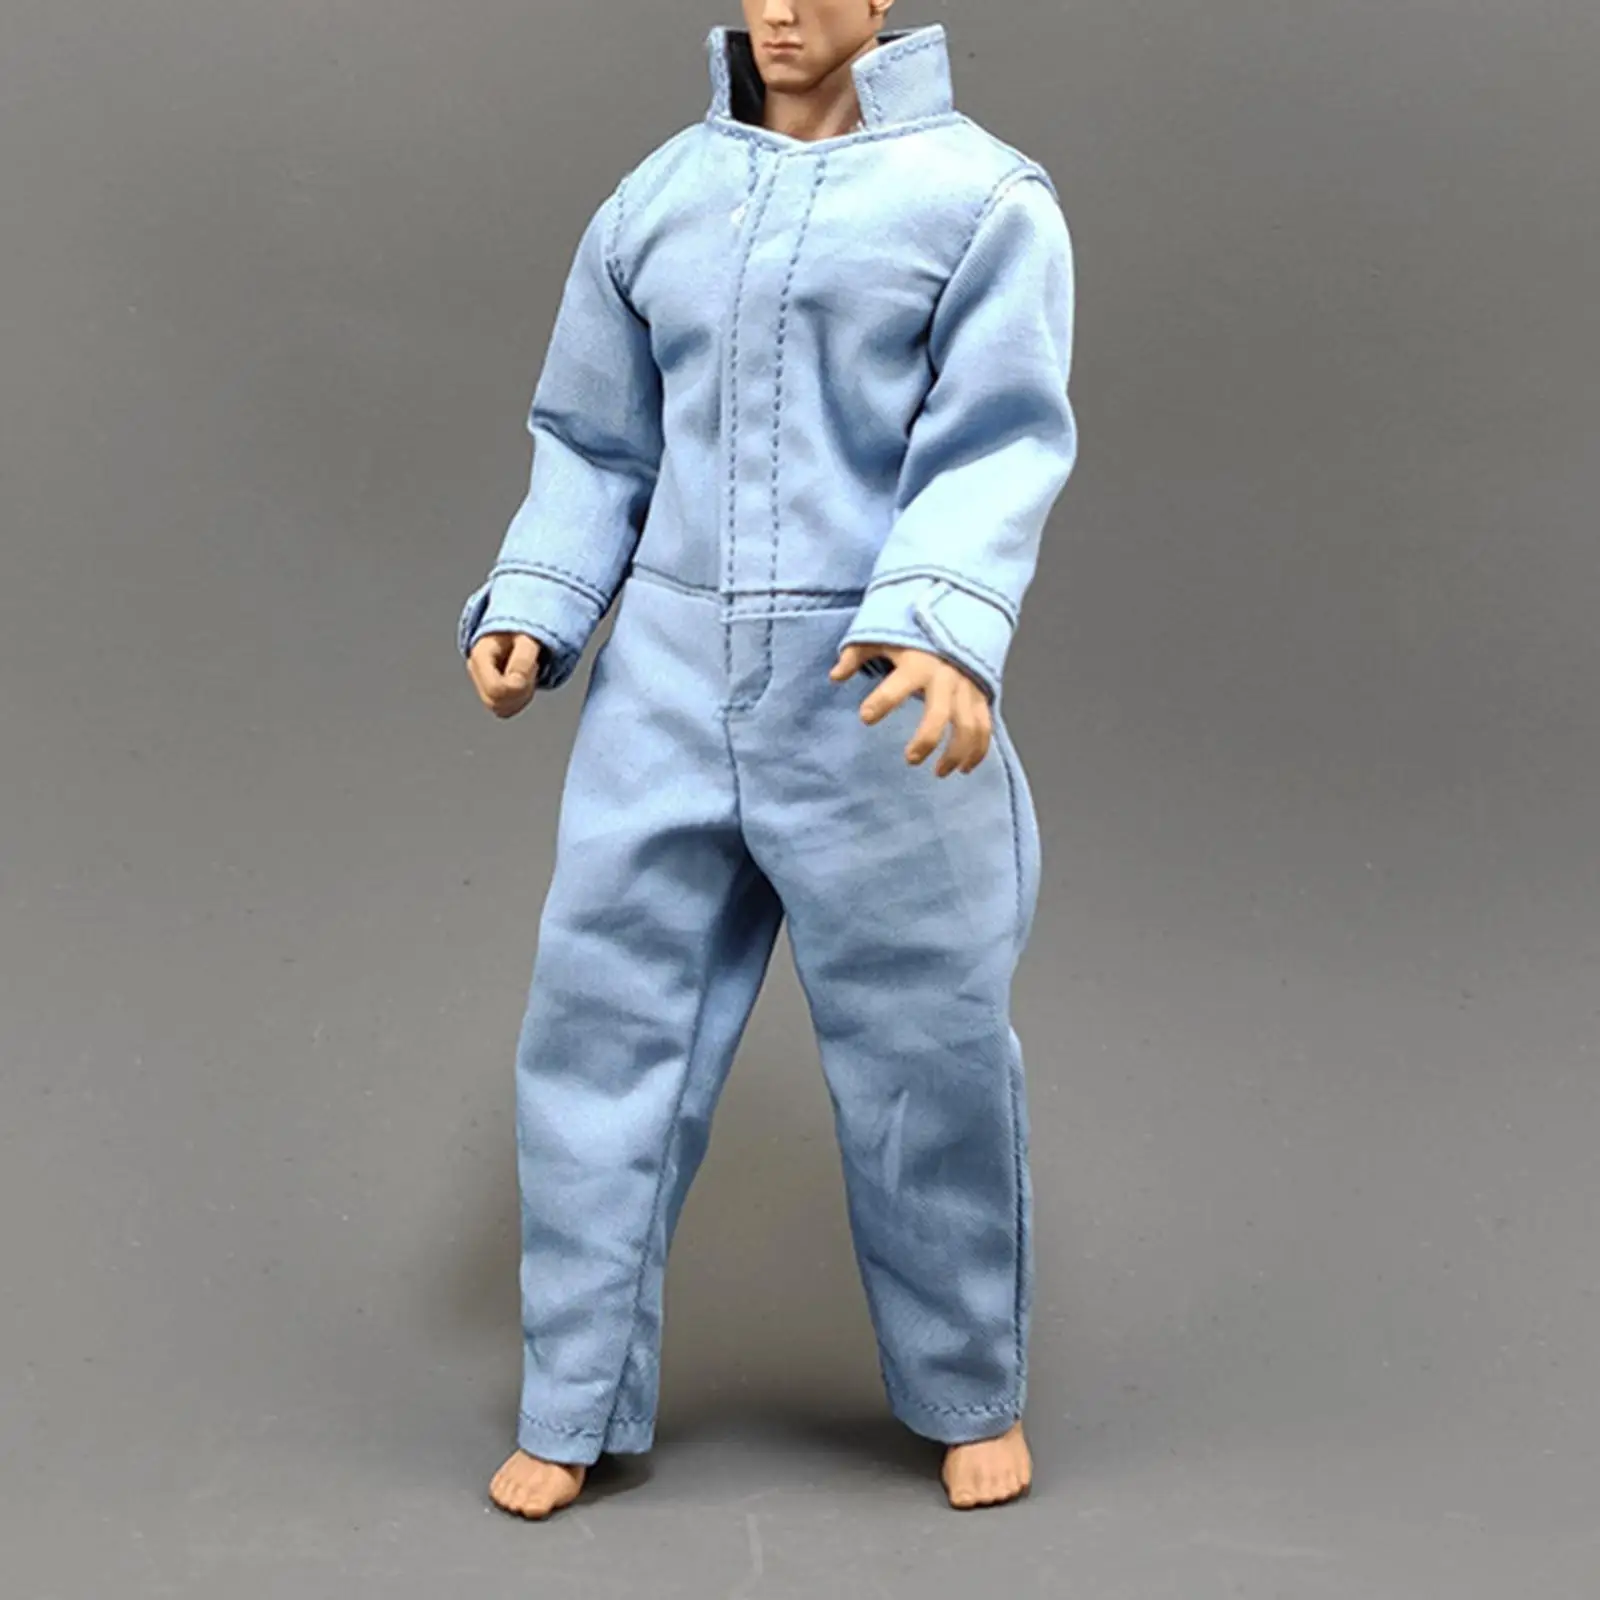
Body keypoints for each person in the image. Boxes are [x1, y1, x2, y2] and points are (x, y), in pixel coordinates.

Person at [460, 0, 1077, 1517]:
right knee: (600, 1034)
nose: (780, 9)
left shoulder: (980, 201)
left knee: (925, 1051)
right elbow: (596, 437)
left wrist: (941, 626)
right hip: (664, 692)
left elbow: (995, 438)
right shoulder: (658, 199)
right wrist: (542, 601)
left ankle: (967, 1382)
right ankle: (571, 1398)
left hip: (870, 694)